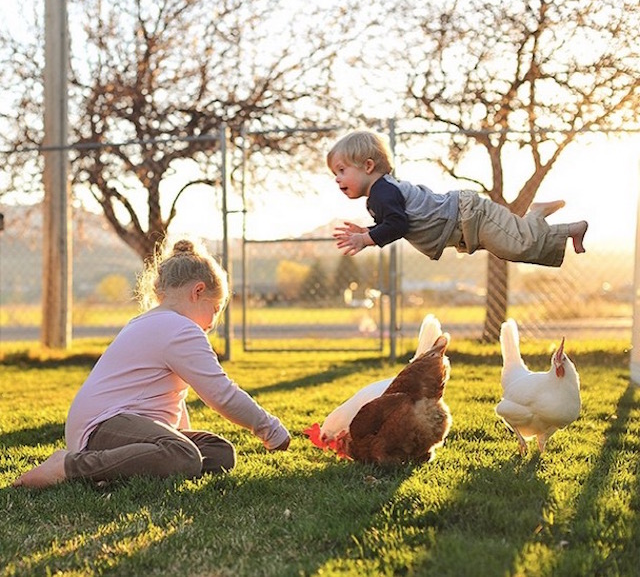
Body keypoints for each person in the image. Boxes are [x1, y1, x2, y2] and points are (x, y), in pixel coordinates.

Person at [13, 238, 290, 489]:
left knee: (218, 452)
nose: (213, 322)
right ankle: (68, 467)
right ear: (198, 291)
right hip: (103, 426)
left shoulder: (155, 322)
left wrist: (178, 434)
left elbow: (172, 396)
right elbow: (221, 394)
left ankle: (115, 472)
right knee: (184, 455)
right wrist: (270, 430)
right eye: (215, 309)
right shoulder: (179, 328)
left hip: (119, 426)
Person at [327, 130, 588, 267]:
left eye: (341, 170)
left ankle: (536, 214)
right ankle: (570, 229)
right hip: (466, 225)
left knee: (519, 245)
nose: (337, 179)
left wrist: (366, 238)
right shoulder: (382, 193)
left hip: (471, 216)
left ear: (368, 166)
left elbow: (398, 225)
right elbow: (394, 222)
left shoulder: (383, 192)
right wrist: (369, 232)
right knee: (522, 248)